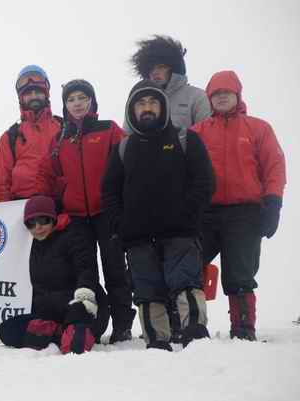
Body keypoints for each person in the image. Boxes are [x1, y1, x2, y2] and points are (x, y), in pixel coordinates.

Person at [102, 80, 214, 351]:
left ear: (163, 106)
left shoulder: (185, 139)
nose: (147, 108)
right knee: (147, 293)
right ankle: (156, 343)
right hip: (138, 238)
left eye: (153, 102)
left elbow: (205, 183)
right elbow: (109, 193)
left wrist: (188, 216)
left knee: (186, 284)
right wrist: (121, 225)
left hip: (180, 234)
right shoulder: (123, 148)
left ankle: (196, 336)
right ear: (132, 110)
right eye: (141, 103)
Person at [36, 79, 136, 344]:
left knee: (115, 270)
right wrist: (54, 206)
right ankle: (86, 324)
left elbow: (129, 168)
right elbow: (47, 175)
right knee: (85, 273)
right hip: (76, 217)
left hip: (107, 214)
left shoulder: (109, 130)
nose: (77, 103)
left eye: (82, 98)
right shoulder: (60, 139)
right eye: (71, 99)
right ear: (65, 105)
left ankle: (123, 325)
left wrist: (124, 205)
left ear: (92, 101)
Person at [191, 71, 286, 341]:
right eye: (216, 94)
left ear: (237, 96)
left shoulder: (258, 128)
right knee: (189, 267)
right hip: (205, 213)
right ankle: (191, 324)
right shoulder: (197, 133)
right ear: (209, 99)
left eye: (226, 93)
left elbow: (274, 167)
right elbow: (183, 171)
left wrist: (273, 203)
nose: (221, 97)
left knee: (240, 273)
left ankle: (243, 329)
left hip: (245, 213)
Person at [0, 196, 109, 354]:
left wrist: (84, 299)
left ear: (53, 218)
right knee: (7, 330)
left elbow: (86, 270)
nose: (38, 227)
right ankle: (60, 332)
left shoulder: (73, 236)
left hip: (79, 307)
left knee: (75, 347)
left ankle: (69, 333)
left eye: (43, 220)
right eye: (31, 223)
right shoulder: (27, 246)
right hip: (48, 314)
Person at [0, 65, 61, 201]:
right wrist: (5, 210)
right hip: (21, 204)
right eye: (28, 93)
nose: (33, 96)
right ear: (21, 98)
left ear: (46, 94)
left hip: (58, 202)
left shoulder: (63, 127)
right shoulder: (10, 136)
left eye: (38, 92)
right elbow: (3, 181)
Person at [123, 35, 210, 133]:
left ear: (174, 68)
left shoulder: (196, 97)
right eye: (151, 68)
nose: (155, 72)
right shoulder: (138, 98)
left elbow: (206, 135)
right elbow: (127, 136)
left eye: (161, 67)